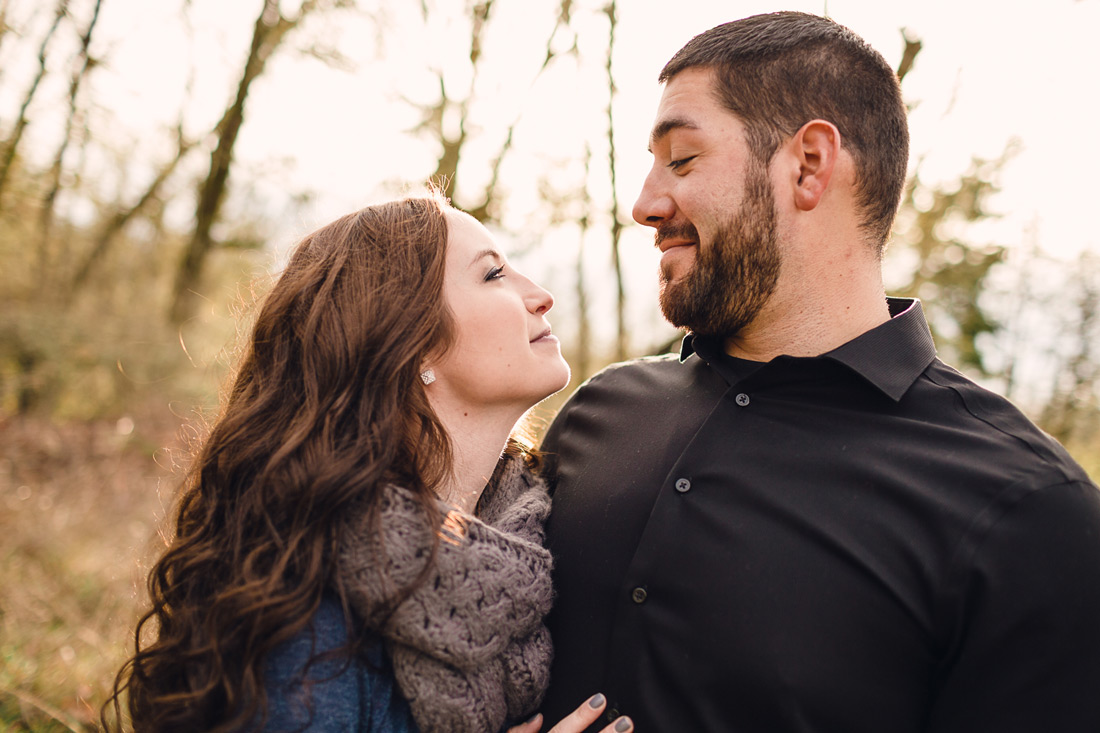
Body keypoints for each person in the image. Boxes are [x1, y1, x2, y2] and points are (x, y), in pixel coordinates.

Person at [539, 11, 1100, 733]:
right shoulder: (597, 413)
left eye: (681, 160)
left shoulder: (1031, 512)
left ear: (808, 164)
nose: (645, 204)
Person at [103, 193, 634, 733]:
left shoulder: (529, 540)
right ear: (411, 340)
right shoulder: (308, 617)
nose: (540, 296)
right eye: (494, 274)